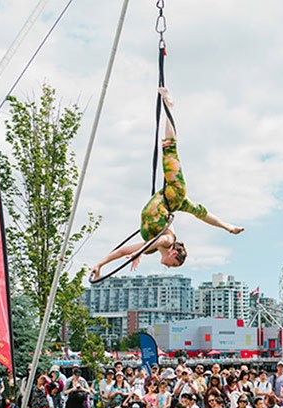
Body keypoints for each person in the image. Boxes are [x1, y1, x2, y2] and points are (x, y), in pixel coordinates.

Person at [91, 87, 244, 280]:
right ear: (173, 254)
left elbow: (122, 251)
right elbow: (160, 239)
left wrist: (100, 265)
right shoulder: (167, 240)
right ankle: (169, 106)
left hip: (170, 202)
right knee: (169, 149)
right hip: (173, 193)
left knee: (199, 212)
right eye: (174, 265)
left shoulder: (151, 248)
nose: (170, 268)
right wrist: (138, 253)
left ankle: (228, 226)